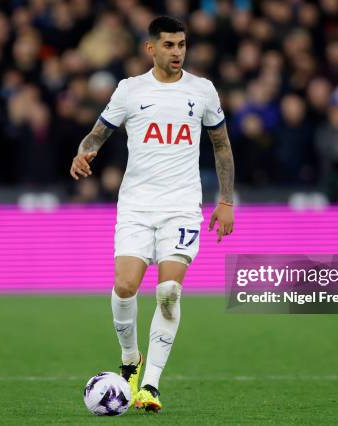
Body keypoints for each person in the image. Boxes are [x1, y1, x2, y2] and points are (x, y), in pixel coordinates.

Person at [69, 16, 235, 413]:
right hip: (137, 206)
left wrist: (226, 200)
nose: (177, 52)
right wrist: (84, 149)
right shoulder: (130, 91)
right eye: (169, 45)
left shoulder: (203, 91)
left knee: (168, 291)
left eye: (181, 44)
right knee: (125, 286)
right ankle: (130, 359)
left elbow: (222, 146)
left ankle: (151, 386)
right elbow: (100, 130)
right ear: (151, 48)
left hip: (181, 207)